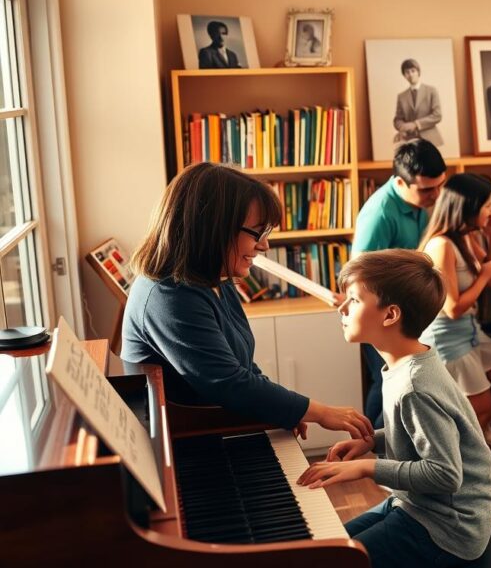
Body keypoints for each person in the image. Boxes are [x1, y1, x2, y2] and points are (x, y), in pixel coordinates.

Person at [121, 162, 373, 440]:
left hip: (216, 427)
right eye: (257, 233)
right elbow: (228, 383)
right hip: (188, 440)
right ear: (214, 228)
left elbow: (242, 368)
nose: (264, 245)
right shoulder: (167, 296)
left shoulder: (215, 279)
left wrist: (283, 409)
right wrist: (317, 411)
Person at [299, 249, 491, 567]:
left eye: (354, 300)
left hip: (448, 528)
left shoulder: (415, 386)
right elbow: (422, 431)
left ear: (390, 315)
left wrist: (365, 467)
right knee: (327, 547)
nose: (343, 308)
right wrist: (373, 440)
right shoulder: (409, 363)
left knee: (333, 560)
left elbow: (446, 474)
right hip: (416, 506)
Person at [352, 139, 447, 429]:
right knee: (390, 382)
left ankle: (371, 445)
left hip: (400, 309)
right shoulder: (380, 213)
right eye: (427, 189)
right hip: (378, 313)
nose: (436, 195)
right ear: (399, 182)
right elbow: (359, 274)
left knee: (386, 380)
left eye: (440, 185)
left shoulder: (417, 200)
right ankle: (380, 449)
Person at [419, 174, 491, 454]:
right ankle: (468, 464)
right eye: (486, 206)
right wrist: (481, 277)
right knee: (479, 408)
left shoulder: (466, 237)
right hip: (448, 335)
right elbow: (452, 307)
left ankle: (479, 430)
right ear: (467, 208)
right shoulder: (441, 245)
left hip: (469, 328)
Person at [393, 58, 444, 148]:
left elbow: (437, 115)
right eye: (407, 72)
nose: (411, 74)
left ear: (418, 72)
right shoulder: (401, 96)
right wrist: (403, 127)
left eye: (413, 71)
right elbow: (398, 119)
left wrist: (415, 124)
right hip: (409, 141)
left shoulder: (431, 91)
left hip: (431, 141)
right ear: (404, 75)